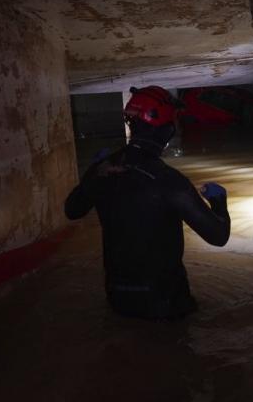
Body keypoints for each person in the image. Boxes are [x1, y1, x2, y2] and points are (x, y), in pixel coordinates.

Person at [65, 85, 230, 319]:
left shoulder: (104, 170)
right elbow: (218, 236)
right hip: (166, 302)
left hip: (118, 298)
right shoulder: (169, 181)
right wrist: (219, 202)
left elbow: (72, 210)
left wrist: (91, 177)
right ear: (167, 130)